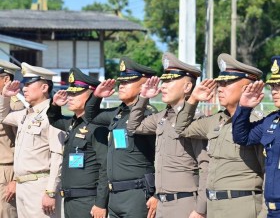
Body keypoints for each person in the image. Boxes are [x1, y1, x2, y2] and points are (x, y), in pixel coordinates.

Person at [175, 53, 267, 218]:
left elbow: (269, 173)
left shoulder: (257, 124)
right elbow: (181, 128)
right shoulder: (216, 120)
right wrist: (194, 99)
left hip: (242, 207)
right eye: (220, 83)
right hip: (214, 207)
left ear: (247, 87)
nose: (220, 88)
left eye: (227, 83)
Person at [126, 52, 213, 218]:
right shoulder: (162, 117)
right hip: (162, 204)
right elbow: (133, 126)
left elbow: (206, 166)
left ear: (187, 87)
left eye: (169, 81)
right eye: (163, 81)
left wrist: (201, 209)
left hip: (185, 204)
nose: (163, 86)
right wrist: (143, 98)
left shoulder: (195, 119)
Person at [85, 57, 158, 218]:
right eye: (121, 82)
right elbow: (91, 116)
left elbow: (161, 157)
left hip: (138, 195)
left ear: (143, 86)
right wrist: (97, 97)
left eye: (127, 82)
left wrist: (157, 193)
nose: (121, 86)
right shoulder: (118, 113)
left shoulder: (148, 115)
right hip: (115, 196)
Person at [0, 62, 64, 218]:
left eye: (29, 84)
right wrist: (5, 97)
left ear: (44, 88)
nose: (24, 88)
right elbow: (3, 117)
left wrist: (50, 192)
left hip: (39, 186)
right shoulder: (25, 114)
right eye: (24, 84)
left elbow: (58, 156)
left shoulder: (52, 116)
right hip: (23, 186)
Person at [46, 68, 110, 218]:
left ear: (91, 97)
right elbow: (54, 119)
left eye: (76, 93)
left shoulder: (97, 127)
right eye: (70, 93)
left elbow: (105, 167)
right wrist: (55, 105)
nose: (70, 97)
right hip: (70, 200)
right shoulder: (73, 123)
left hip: (88, 201)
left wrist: (100, 203)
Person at [231, 55, 280, 218]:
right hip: (273, 209)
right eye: (273, 85)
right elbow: (242, 137)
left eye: (279, 86)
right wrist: (244, 108)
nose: (274, 91)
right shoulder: (272, 120)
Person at [0, 60, 25, 218]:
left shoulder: (15, 105)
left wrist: (16, 179)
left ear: (6, 80)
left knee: (6, 212)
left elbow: (23, 144)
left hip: (6, 171)